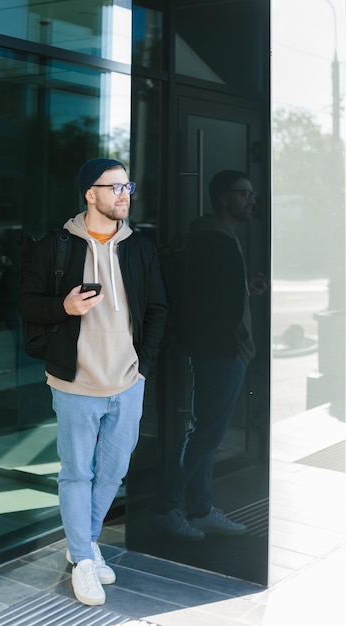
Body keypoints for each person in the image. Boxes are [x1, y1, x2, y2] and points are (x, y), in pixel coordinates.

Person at [19, 158, 168, 606]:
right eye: (116, 188)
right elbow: (27, 303)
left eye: (128, 187)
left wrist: (144, 367)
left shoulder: (139, 248)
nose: (125, 195)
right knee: (77, 473)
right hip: (75, 383)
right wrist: (63, 308)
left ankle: (82, 543)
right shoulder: (55, 247)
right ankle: (84, 560)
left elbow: (158, 309)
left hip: (127, 382)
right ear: (91, 194)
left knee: (113, 472)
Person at [152, 169, 266, 540]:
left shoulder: (214, 237)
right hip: (221, 351)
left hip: (217, 349)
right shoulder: (215, 240)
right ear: (223, 199)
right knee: (206, 434)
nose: (251, 200)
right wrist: (235, 343)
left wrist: (245, 287)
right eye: (244, 194)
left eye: (251, 194)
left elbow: (216, 293)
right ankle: (165, 507)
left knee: (206, 433)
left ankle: (200, 508)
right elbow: (211, 306)